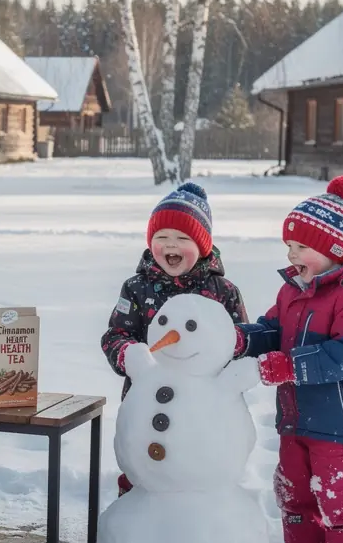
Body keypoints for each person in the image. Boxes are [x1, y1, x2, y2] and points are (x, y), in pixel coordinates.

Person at [237, 176, 343, 543]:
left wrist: (288, 367)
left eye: (301, 248)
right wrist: (243, 340)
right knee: (292, 488)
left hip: (342, 421)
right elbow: (273, 329)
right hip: (297, 416)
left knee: (338, 493)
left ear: (335, 249)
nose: (291, 256)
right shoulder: (293, 292)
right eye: (289, 247)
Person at [101, 182, 247, 495]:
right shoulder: (137, 289)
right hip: (147, 401)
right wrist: (128, 355)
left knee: (198, 472)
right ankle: (132, 534)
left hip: (203, 410)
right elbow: (116, 333)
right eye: (161, 238)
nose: (171, 246)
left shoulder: (223, 293)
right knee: (141, 469)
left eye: (182, 238)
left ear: (203, 245)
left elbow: (239, 343)